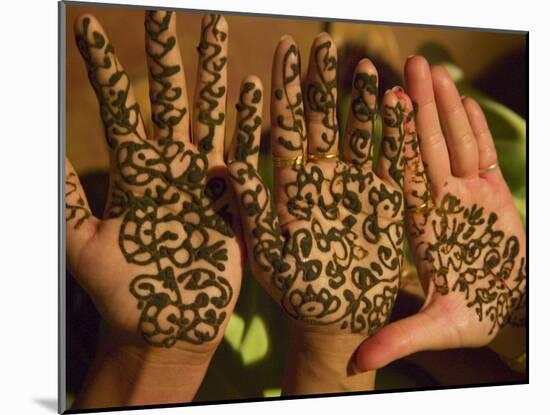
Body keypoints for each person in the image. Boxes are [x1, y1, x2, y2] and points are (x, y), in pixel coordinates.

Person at [66, 9, 526, 408]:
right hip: (429, 251)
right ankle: (354, 79)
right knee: (390, 146)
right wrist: (521, 323)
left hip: (219, 312)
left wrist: (153, 358)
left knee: (157, 189)